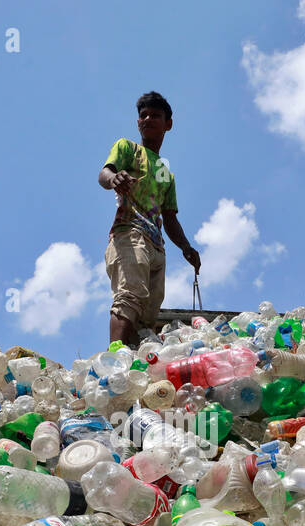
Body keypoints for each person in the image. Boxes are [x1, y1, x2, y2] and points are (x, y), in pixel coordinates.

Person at [99, 91, 202, 348]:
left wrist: (187, 248)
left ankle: (135, 365)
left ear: (168, 124)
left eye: (155, 115)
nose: (147, 119)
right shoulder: (128, 148)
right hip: (129, 233)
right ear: (137, 123)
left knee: (147, 315)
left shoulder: (166, 173)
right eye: (142, 115)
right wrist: (114, 179)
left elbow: (170, 219)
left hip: (157, 247)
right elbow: (105, 173)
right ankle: (115, 360)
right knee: (129, 296)